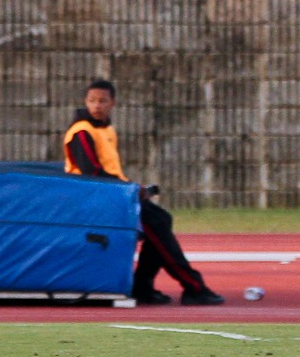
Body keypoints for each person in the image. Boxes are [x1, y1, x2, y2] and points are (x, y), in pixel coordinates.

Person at [63, 80, 225, 306]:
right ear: (85, 102)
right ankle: (193, 286)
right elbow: (93, 174)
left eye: (102, 101)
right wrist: (129, 189)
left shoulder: (106, 129)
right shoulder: (81, 132)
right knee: (157, 223)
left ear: (113, 103)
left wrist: (132, 187)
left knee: (161, 220)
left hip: (113, 196)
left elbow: (111, 171)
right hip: (95, 200)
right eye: (92, 101)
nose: (97, 106)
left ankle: (143, 286)